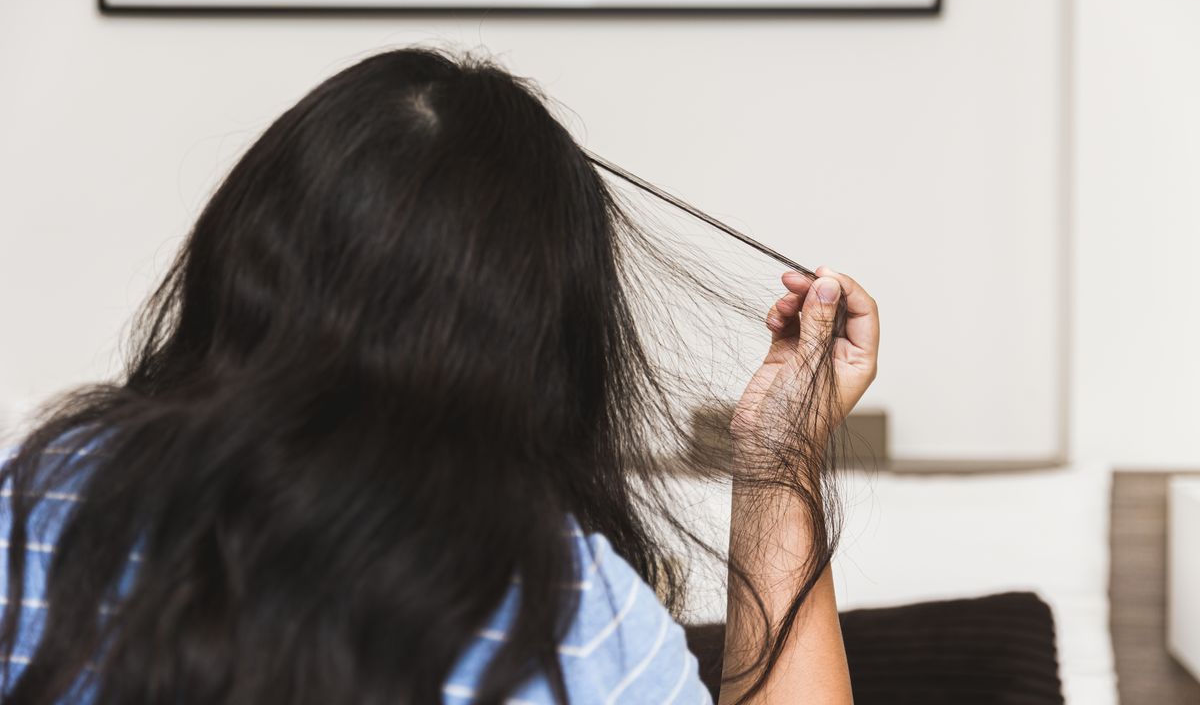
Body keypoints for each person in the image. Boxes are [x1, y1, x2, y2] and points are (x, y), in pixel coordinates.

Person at [0, 47, 879, 704]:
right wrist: (778, 461)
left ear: (240, 265)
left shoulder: (39, 513)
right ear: (546, 331)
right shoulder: (569, 613)